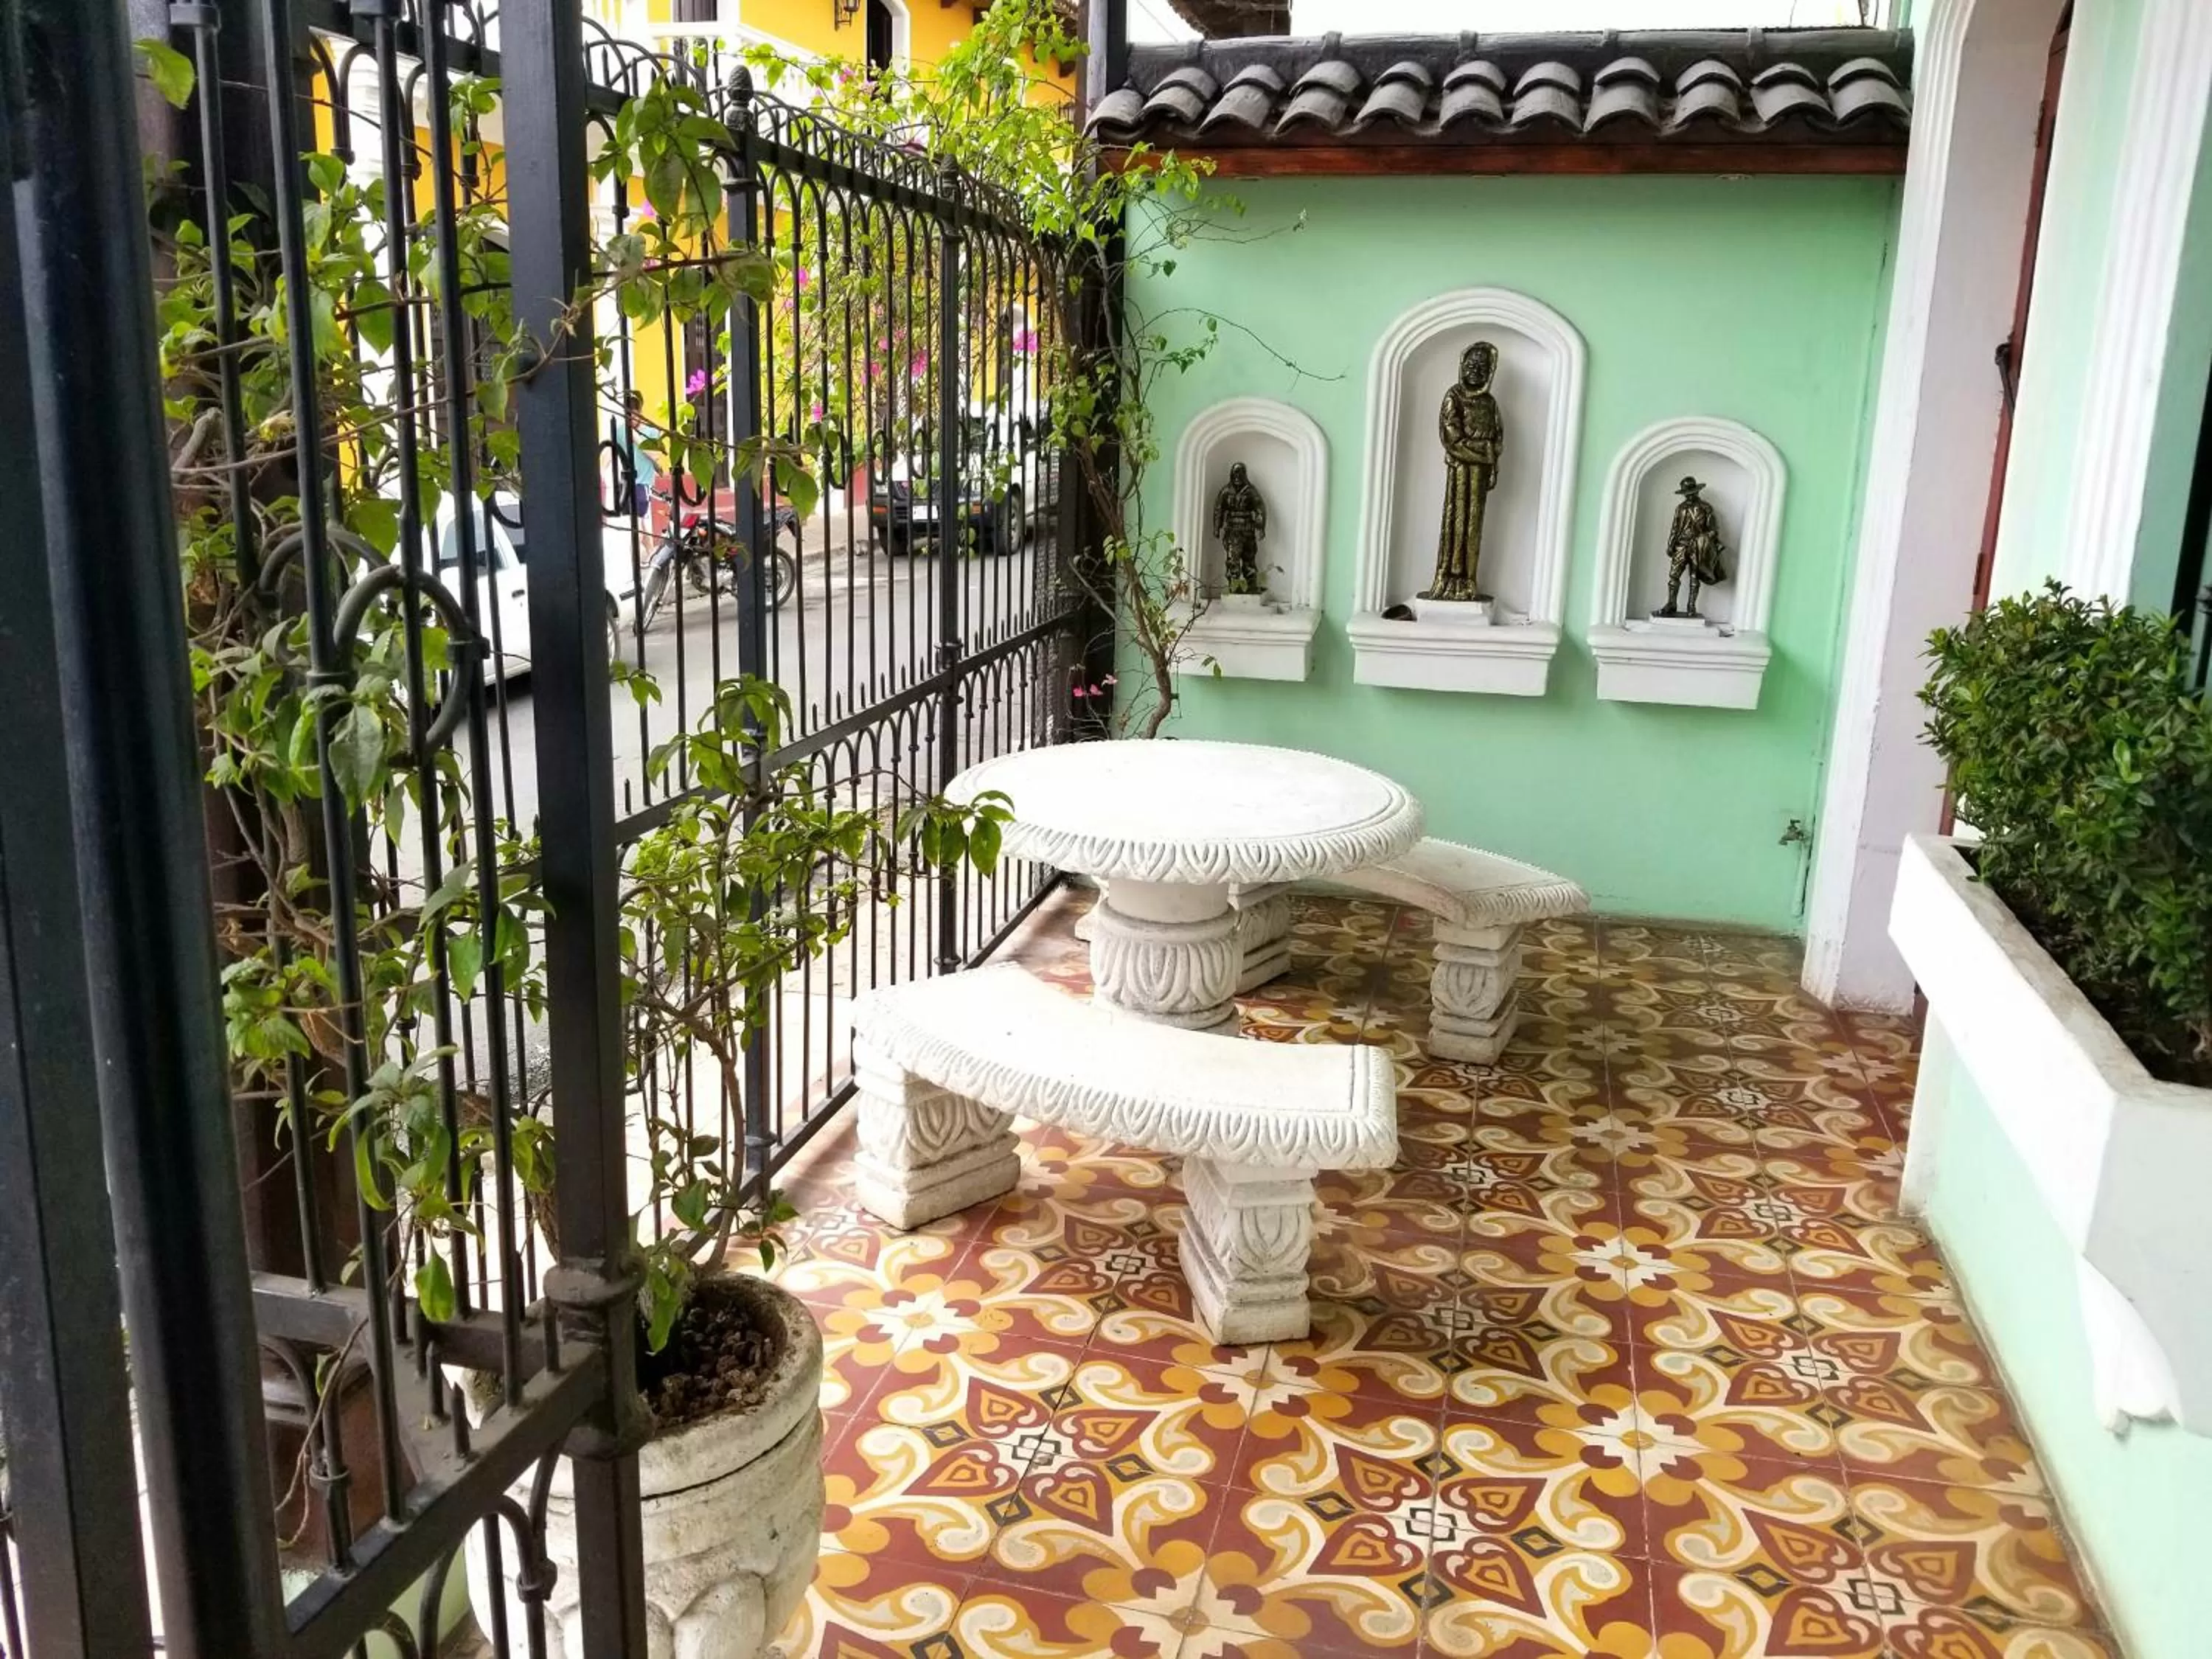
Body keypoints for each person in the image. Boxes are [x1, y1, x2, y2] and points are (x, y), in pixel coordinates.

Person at [619, 390, 661, 518]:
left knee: (642, 524)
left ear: (640, 413)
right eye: (628, 416)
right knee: (631, 525)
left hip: (643, 484)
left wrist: (637, 439)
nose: (631, 420)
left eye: (635, 416)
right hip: (625, 485)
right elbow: (610, 452)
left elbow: (656, 455)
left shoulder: (652, 432)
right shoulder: (619, 430)